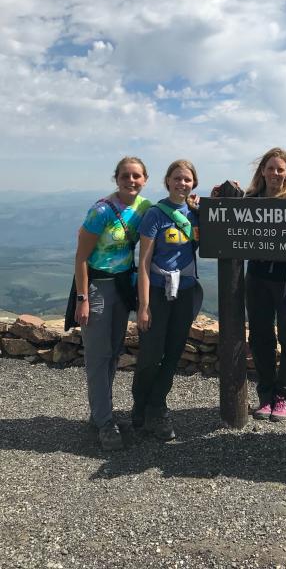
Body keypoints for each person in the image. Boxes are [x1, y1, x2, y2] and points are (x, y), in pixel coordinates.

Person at [74, 157, 150, 451]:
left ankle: (100, 413)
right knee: (97, 355)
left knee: (113, 351)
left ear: (145, 179)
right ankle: (105, 422)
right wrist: (82, 299)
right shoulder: (101, 210)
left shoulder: (144, 208)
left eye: (136, 176)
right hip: (97, 287)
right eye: (125, 176)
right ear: (116, 178)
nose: (131, 180)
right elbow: (80, 257)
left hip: (122, 287)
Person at [131, 159, 202, 440]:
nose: (182, 183)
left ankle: (157, 407)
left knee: (172, 353)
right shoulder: (155, 215)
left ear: (193, 183)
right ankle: (140, 404)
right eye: (177, 178)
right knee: (150, 354)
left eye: (187, 179)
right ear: (167, 181)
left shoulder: (195, 213)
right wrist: (144, 305)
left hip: (184, 291)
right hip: (158, 292)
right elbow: (144, 262)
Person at [244, 147, 286, 422]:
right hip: (256, 278)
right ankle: (266, 394)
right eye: (271, 168)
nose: (276, 173)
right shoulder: (250, 199)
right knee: (260, 338)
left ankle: (283, 396)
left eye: (281, 169)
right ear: (263, 171)